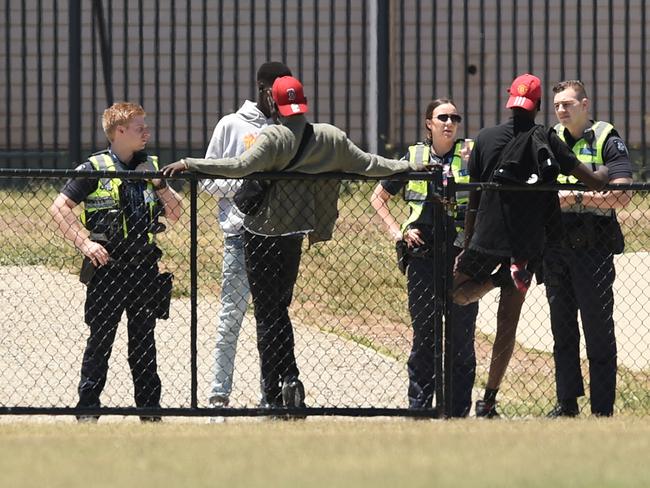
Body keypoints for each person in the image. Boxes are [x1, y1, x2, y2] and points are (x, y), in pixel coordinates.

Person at [163, 75, 425, 413]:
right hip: (294, 236)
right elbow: (371, 164)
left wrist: (190, 163)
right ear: (304, 103)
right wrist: (411, 166)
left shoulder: (271, 137)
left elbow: (238, 166)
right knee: (278, 310)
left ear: (273, 103)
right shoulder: (330, 138)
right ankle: (288, 380)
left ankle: (277, 391)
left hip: (260, 235)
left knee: (267, 315)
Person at [452, 73, 609, 418]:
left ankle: (498, 281)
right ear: (538, 106)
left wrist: (467, 239)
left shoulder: (485, 137)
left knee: (454, 293)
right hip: (525, 246)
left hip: (486, 238)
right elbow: (591, 180)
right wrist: (608, 175)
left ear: (510, 100)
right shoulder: (547, 139)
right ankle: (488, 400)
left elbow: (474, 196)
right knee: (506, 326)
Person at [50, 102, 183, 423]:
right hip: (108, 270)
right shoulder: (94, 168)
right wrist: (85, 242)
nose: (146, 132)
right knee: (100, 343)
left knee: (144, 346)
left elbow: (177, 213)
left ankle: (150, 415)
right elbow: (59, 208)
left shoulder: (150, 166)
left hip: (144, 270)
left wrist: (159, 183)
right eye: (140, 128)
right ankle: (87, 413)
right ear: (119, 131)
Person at [370, 99, 478, 416]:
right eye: (442, 117)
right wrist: (398, 232)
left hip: (459, 253)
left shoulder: (470, 155)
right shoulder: (415, 156)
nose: (450, 123)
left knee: (461, 338)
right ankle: (420, 408)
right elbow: (379, 197)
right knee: (424, 337)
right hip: (423, 253)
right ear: (428, 123)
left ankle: (458, 410)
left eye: (455, 118)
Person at [201, 62, 292, 412]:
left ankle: (269, 394)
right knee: (231, 316)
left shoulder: (284, 128)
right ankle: (218, 394)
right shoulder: (231, 125)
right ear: (262, 88)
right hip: (240, 235)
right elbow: (207, 179)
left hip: (276, 237)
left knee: (272, 319)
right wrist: (247, 184)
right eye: (276, 91)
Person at [544, 80, 633, 418]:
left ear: (585, 104)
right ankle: (566, 404)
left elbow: (623, 195)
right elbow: (540, 194)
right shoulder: (550, 140)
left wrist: (574, 197)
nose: (562, 110)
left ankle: (602, 409)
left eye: (568, 104)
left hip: (593, 249)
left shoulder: (607, 139)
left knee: (597, 329)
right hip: (557, 247)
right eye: (557, 106)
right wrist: (594, 190)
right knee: (562, 331)